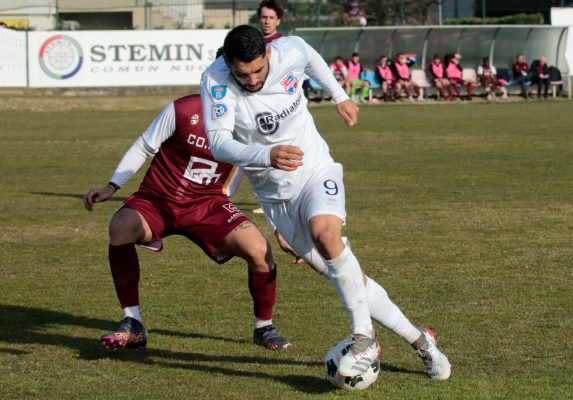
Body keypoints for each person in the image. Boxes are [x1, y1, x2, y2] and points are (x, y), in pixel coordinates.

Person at [200, 25, 451, 380]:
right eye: (243, 74)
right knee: (349, 278)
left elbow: (312, 58)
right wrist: (266, 158)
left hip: (316, 170)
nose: (252, 79)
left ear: (269, 55)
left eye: (258, 70)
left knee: (326, 233)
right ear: (228, 64)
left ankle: (363, 336)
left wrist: (339, 95)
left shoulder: (289, 51)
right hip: (276, 197)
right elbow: (219, 143)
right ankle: (420, 339)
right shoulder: (216, 80)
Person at [83, 94, 291, 351]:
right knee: (120, 227)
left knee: (259, 250)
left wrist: (280, 229)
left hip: (209, 205)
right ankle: (132, 322)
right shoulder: (184, 109)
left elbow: (264, 182)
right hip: (157, 199)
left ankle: (264, 328)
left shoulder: (251, 124)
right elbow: (144, 145)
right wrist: (112, 186)